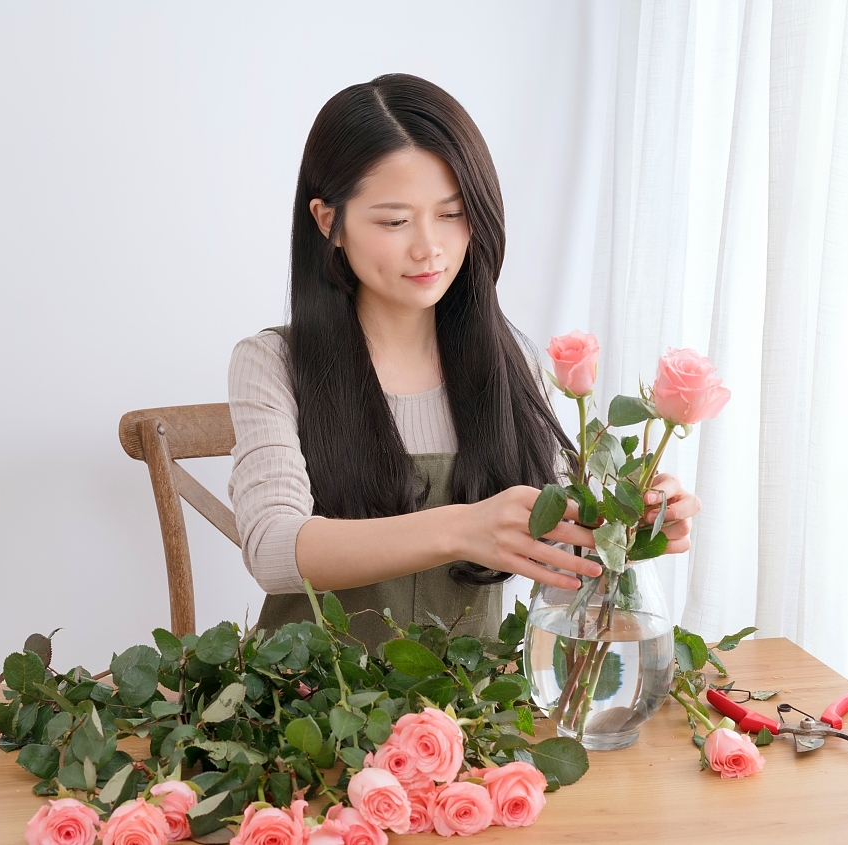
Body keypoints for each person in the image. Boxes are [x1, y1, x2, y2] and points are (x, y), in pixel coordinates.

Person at [227, 73, 699, 650]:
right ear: (330, 223)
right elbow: (273, 548)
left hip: (470, 714)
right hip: (311, 710)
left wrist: (635, 513)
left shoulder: (509, 360)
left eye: (451, 214)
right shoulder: (272, 362)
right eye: (395, 221)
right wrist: (462, 529)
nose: (429, 246)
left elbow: (569, 531)